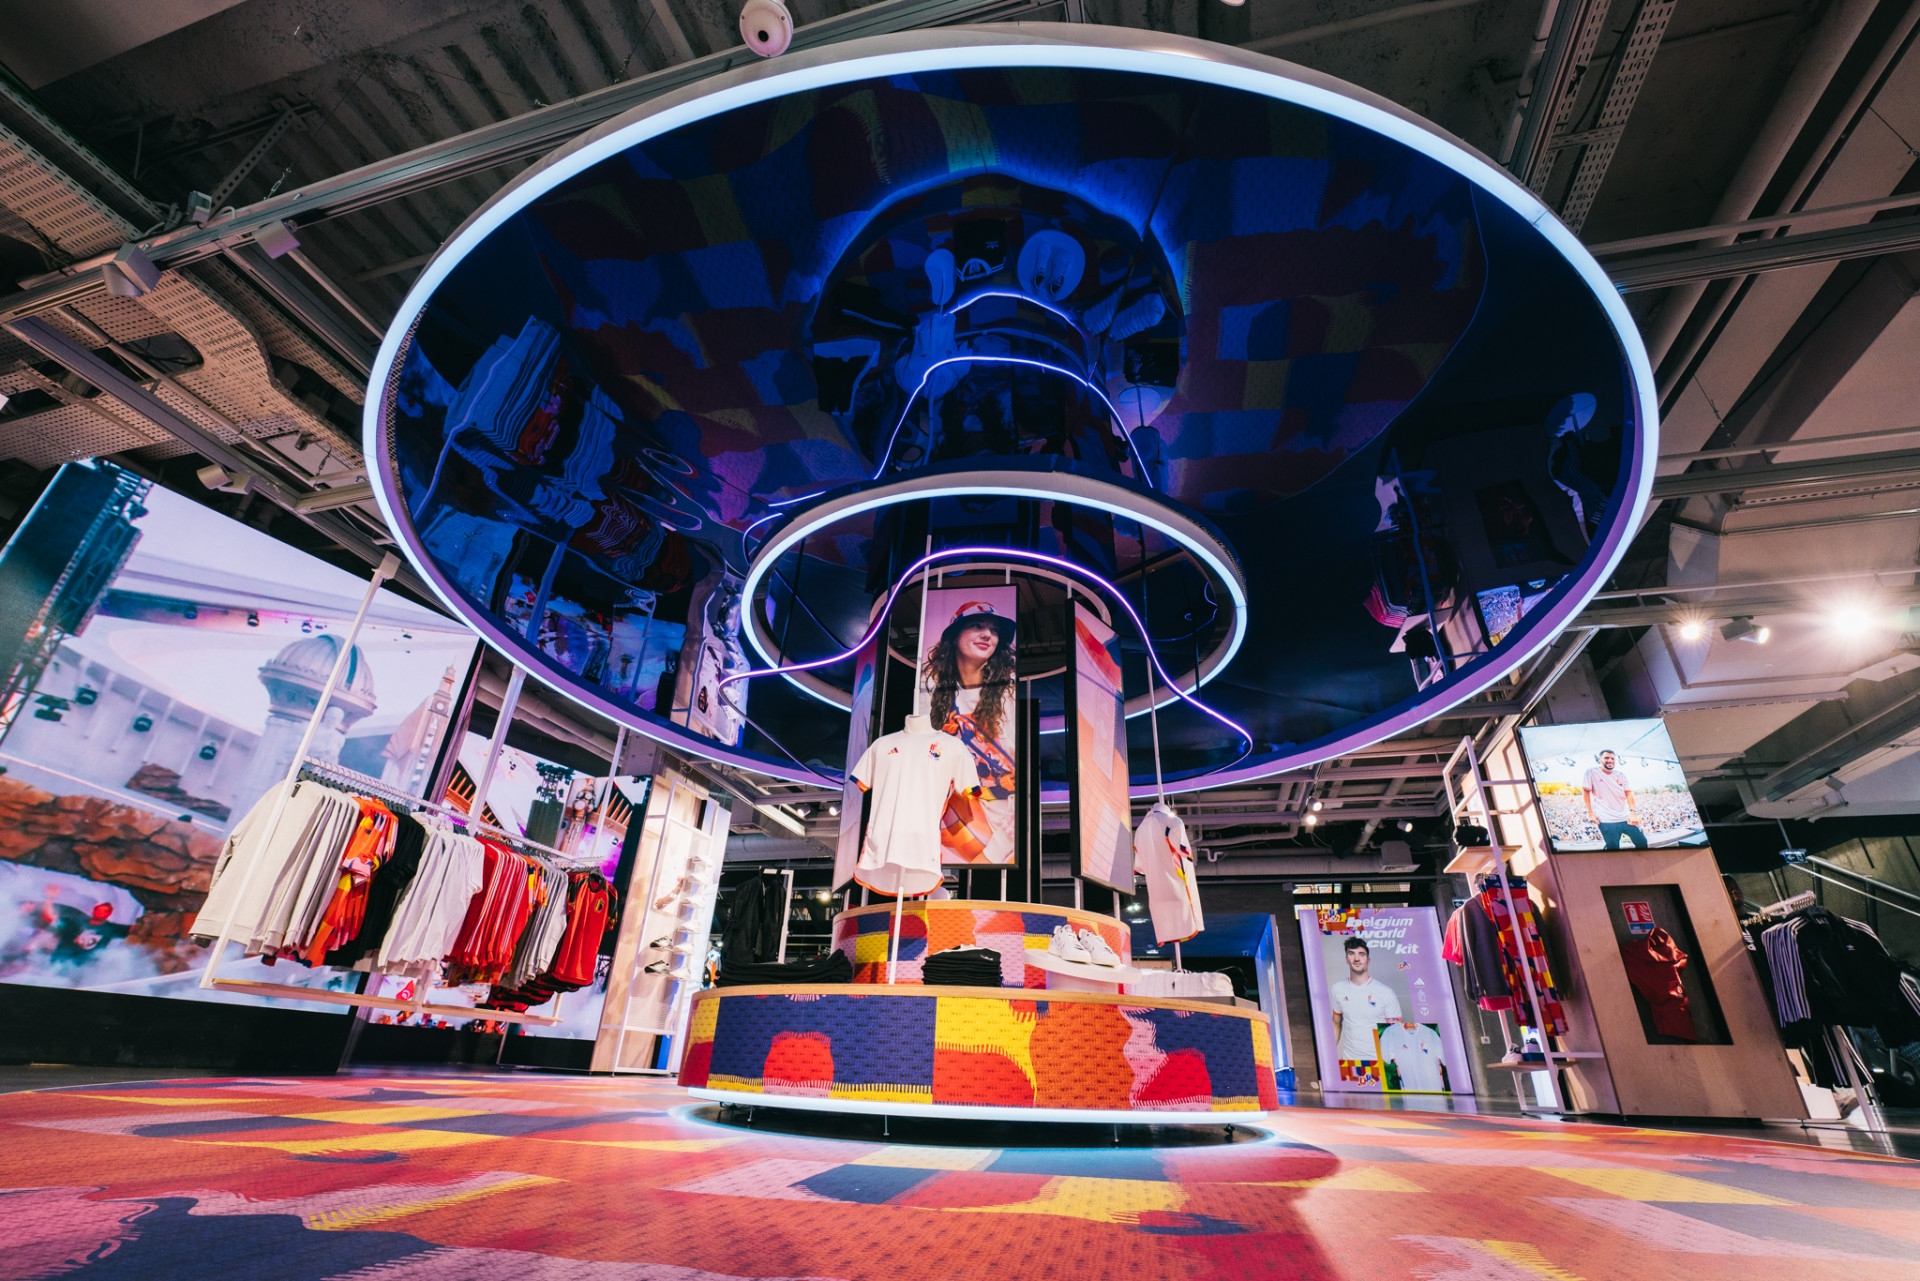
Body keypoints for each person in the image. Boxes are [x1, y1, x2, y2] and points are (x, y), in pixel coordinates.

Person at [922, 601, 1017, 864]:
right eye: (977, 625)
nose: (988, 634)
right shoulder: (934, 694)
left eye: (994, 630)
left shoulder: (1009, 694)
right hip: (958, 818)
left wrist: (997, 848)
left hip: (1004, 827)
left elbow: (1024, 778)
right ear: (955, 636)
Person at [1329, 936, 1403, 1083]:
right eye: (1351, 953)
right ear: (1346, 959)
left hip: (1379, 1063)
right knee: (1349, 1097)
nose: (1357, 958)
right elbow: (1336, 1023)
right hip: (1349, 1062)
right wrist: (1328, 1056)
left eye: (1361, 954)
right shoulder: (1338, 989)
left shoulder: (1386, 993)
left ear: (1368, 960)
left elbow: (1395, 1033)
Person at [1582, 749, 1650, 848]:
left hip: (1626, 817)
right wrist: (1590, 813)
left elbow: (1629, 794)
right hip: (1606, 819)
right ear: (1599, 759)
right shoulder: (1592, 772)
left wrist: (1633, 813)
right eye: (1606, 758)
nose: (1610, 760)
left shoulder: (1621, 775)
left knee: (1642, 842)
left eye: (1612, 758)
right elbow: (1585, 791)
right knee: (1613, 847)